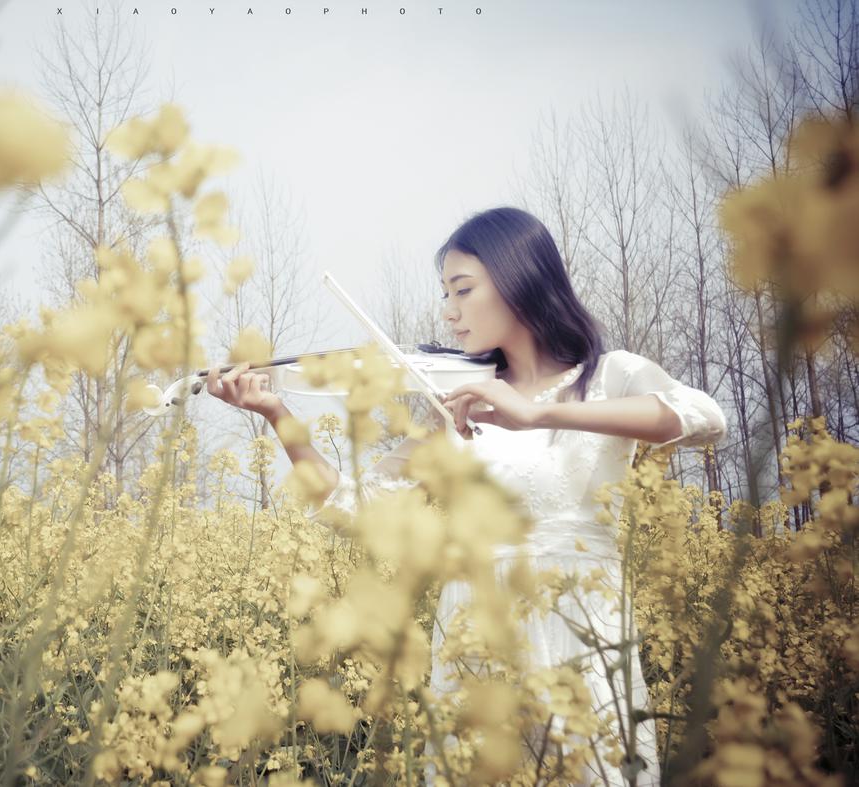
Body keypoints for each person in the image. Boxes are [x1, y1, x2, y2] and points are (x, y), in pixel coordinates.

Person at [205, 206, 727, 786]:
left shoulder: (609, 376)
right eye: (444, 293)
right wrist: (278, 414)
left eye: (463, 289)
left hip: (580, 630)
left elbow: (703, 417)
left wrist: (537, 413)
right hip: (473, 640)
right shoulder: (457, 406)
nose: (448, 311)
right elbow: (355, 506)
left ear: (520, 278)